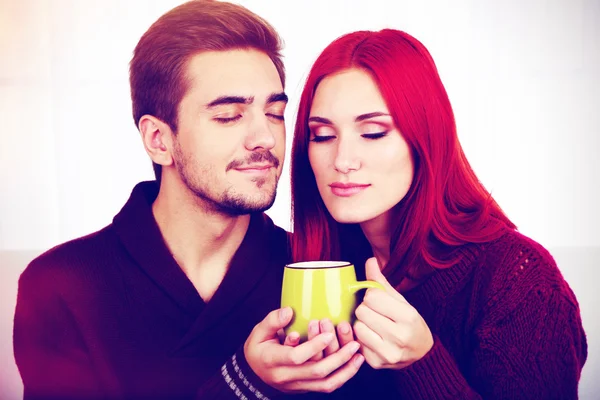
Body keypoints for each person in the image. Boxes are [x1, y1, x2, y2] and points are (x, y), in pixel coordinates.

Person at [13, 1, 363, 398]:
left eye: (275, 112)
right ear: (159, 140)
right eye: (229, 115)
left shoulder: (318, 272)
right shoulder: (62, 285)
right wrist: (244, 383)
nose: (265, 138)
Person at [290, 29, 588, 399]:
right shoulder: (313, 268)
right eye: (322, 136)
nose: (342, 160)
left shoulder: (520, 282)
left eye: (372, 132)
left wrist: (422, 362)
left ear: (425, 137)